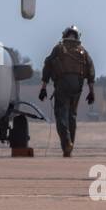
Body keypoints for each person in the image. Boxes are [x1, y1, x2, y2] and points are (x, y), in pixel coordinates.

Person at [39, 25, 95, 157]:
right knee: (72, 116)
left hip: (62, 86)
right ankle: (69, 146)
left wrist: (43, 87)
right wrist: (91, 91)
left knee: (61, 115)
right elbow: (91, 71)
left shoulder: (58, 49)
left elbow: (47, 66)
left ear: (65, 35)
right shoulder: (83, 52)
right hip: (77, 88)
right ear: (77, 36)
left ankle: (66, 143)